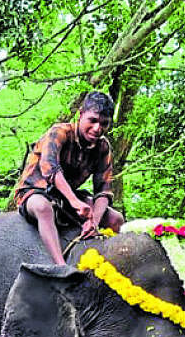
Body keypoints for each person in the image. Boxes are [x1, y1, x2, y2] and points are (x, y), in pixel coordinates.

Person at [13, 90, 125, 264]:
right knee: (43, 208)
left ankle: (113, 264)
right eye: (93, 121)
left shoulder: (103, 147)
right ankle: (61, 266)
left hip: (67, 197)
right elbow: (50, 170)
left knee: (116, 219)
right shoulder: (59, 132)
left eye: (104, 124)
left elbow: (103, 191)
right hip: (36, 191)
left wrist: (94, 221)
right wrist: (75, 202)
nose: (97, 128)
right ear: (81, 115)